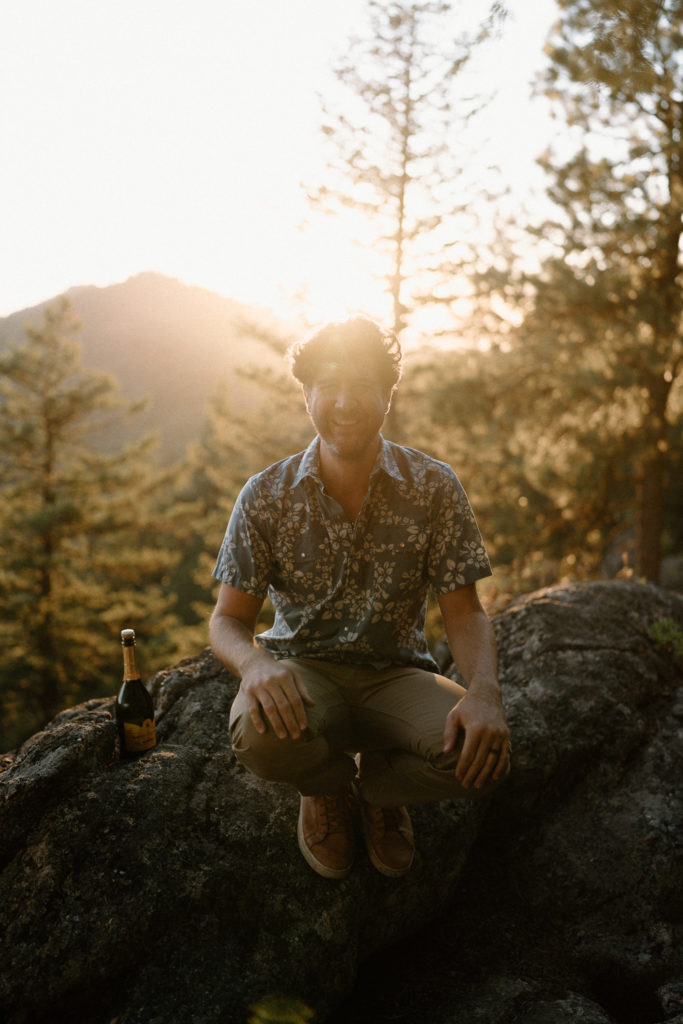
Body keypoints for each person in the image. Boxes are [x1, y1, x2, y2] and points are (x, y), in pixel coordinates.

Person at [209, 316, 510, 880]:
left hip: (398, 676)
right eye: (329, 385)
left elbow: (464, 612)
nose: (344, 402)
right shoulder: (266, 495)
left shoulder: (433, 486)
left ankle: (378, 790)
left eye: (362, 385)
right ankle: (325, 788)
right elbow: (227, 619)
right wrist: (255, 665)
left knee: (486, 755)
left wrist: (485, 694)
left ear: (388, 394)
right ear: (306, 393)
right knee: (255, 734)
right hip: (304, 675)